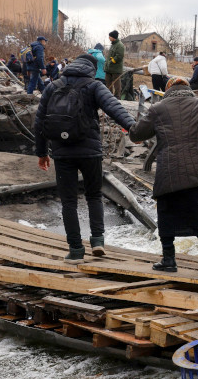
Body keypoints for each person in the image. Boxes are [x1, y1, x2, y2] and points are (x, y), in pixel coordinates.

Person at [34, 54, 136, 260]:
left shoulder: (53, 86)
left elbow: (39, 121)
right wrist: (133, 128)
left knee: (68, 202)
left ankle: (75, 249)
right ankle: (97, 241)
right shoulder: (94, 85)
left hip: (62, 153)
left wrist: (42, 153)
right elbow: (113, 107)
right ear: (92, 68)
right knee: (94, 196)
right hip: (90, 151)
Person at [130, 77, 198, 275]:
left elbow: (136, 135)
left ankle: (169, 260)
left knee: (167, 214)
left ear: (168, 90)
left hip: (170, 171)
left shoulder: (158, 108)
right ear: (189, 89)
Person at [105, 31, 125, 98]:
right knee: (108, 82)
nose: (109, 38)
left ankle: (117, 96)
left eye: (110, 36)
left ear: (113, 37)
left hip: (116, 69)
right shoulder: (113, 45)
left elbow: (120, 56)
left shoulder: (120, 45)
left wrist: (112, 61)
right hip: (109, 68)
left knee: (116, 84)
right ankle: (109, 95)